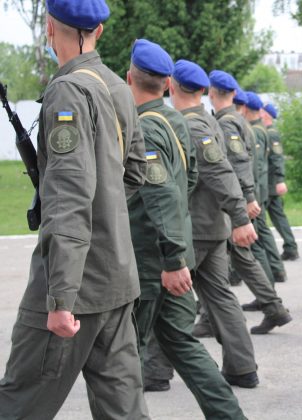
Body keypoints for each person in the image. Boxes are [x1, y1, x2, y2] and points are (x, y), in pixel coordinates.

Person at [0, 1, 151, 418]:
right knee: (124, 410)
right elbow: (135, 172)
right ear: (98, 31)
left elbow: (68, 197)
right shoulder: (117, 87)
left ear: (50, 28)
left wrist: (60, 297)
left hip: (74, 285)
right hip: (116, 279)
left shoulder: (68, 90)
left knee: (18, 403)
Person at [126, 41, 247, 418]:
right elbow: (189, 179)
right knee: (182, 343)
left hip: (154, 261)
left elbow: (161, 195)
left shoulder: (144, 127)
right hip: (172, 254)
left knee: (123, 353)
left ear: (129, 77)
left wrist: (172, 256)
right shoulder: (174, 120)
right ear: (165, 86)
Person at [240, 90, 293, 333]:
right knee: (258, 242)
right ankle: (267, 297)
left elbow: (257, 167)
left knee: (256, 244)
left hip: (256, 196)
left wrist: (252, 197)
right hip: (258, 195)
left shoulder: (258, 132)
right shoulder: (257, 130)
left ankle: (268, 296)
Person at [262, 103, 300, 261]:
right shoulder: (266, 132)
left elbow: (277, 158)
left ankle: (288, 248)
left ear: (266, 115)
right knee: (277, 216)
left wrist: (279, 180)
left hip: (270, 183)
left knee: (262, 220)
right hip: (268, 182)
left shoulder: (271, 134)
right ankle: (290, 247)